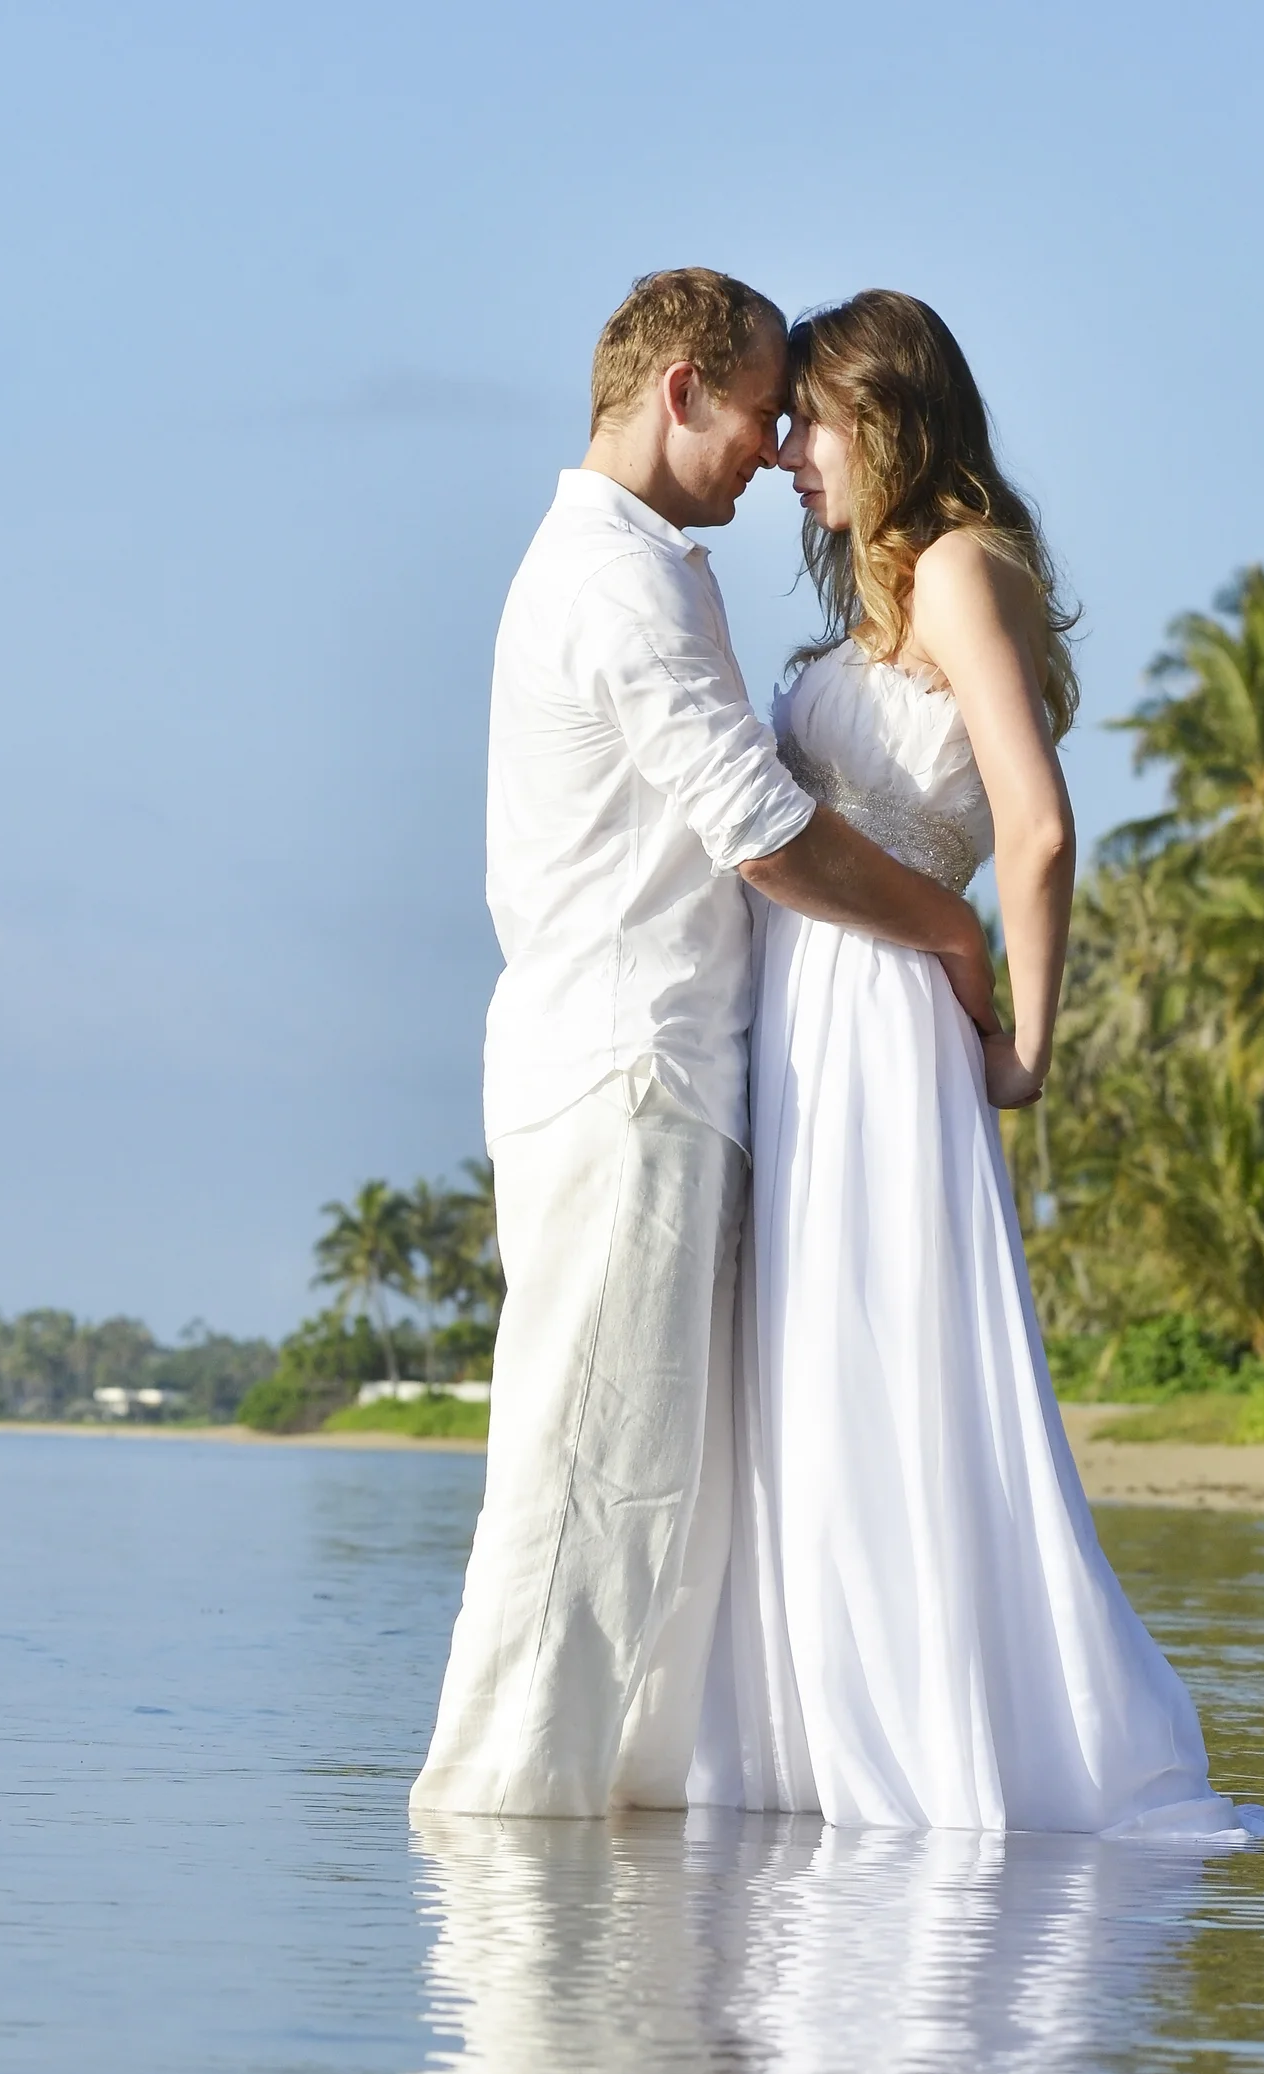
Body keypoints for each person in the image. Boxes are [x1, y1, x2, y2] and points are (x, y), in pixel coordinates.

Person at [411, 269, 997, 1822]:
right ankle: (504, 1860)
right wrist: (949, 928)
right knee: (587, 1501)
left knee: (637, 1504)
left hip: (639, 1070)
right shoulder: (623, 581)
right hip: (634, 1072)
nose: (771, 448)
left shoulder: (630, 565)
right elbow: (760, 830)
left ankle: (589, 1903)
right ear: (680, 390)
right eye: (757, 412)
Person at [691, 292, 1264, 1845]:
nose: (788, 451)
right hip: (813, 1017)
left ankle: (943, 1743)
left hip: (887, 1029)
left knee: (889, 1364)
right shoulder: (891, 592)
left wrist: (1029, 1040)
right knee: (818, 1374)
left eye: (810, 420)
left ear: (885, 420)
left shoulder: (957, 569)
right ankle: (824, 1739)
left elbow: (1040, 823)